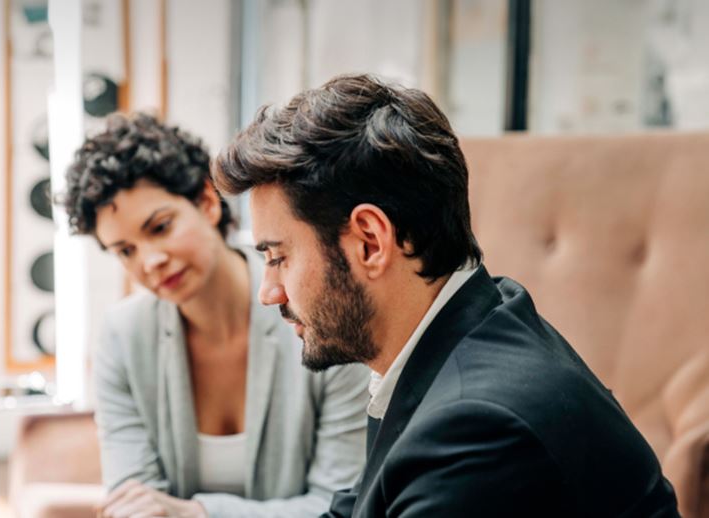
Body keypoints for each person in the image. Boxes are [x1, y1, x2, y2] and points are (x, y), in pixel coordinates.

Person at [211, 74, 681, 517]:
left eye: (277, 258)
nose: (268, 294)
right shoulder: (478, 319)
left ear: (370, 242)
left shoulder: (476, 431)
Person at [60, 113, 368, 518]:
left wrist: (199, 514)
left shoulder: (319, 312)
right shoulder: (122, 337)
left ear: (207, 201)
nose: (150, 261)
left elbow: (341, 506)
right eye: (125, 250)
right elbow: (134, 504)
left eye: (160, 227)